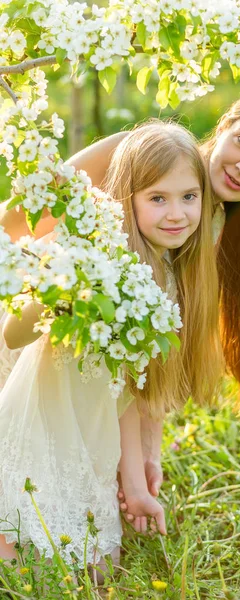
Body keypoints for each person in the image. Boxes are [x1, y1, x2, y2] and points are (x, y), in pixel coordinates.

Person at [0, 85, 240, 495]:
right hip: (29, 319)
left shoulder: (216, 224)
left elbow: (158, 344)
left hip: (90, 374)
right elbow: (13, 223)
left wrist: (148, 449)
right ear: (223, 127)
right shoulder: (133, 155)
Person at [0, 121, 223, 565]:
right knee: (24, 558)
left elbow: (128, 393)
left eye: (188, 197)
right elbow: (13, 334)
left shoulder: (169, 282)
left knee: (102, 567)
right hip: (37, 425)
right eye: (157, 198)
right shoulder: (92, 253)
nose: (176, 213)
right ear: (128, 200)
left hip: (90, 438)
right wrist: (64, 286)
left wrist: (136, 486)